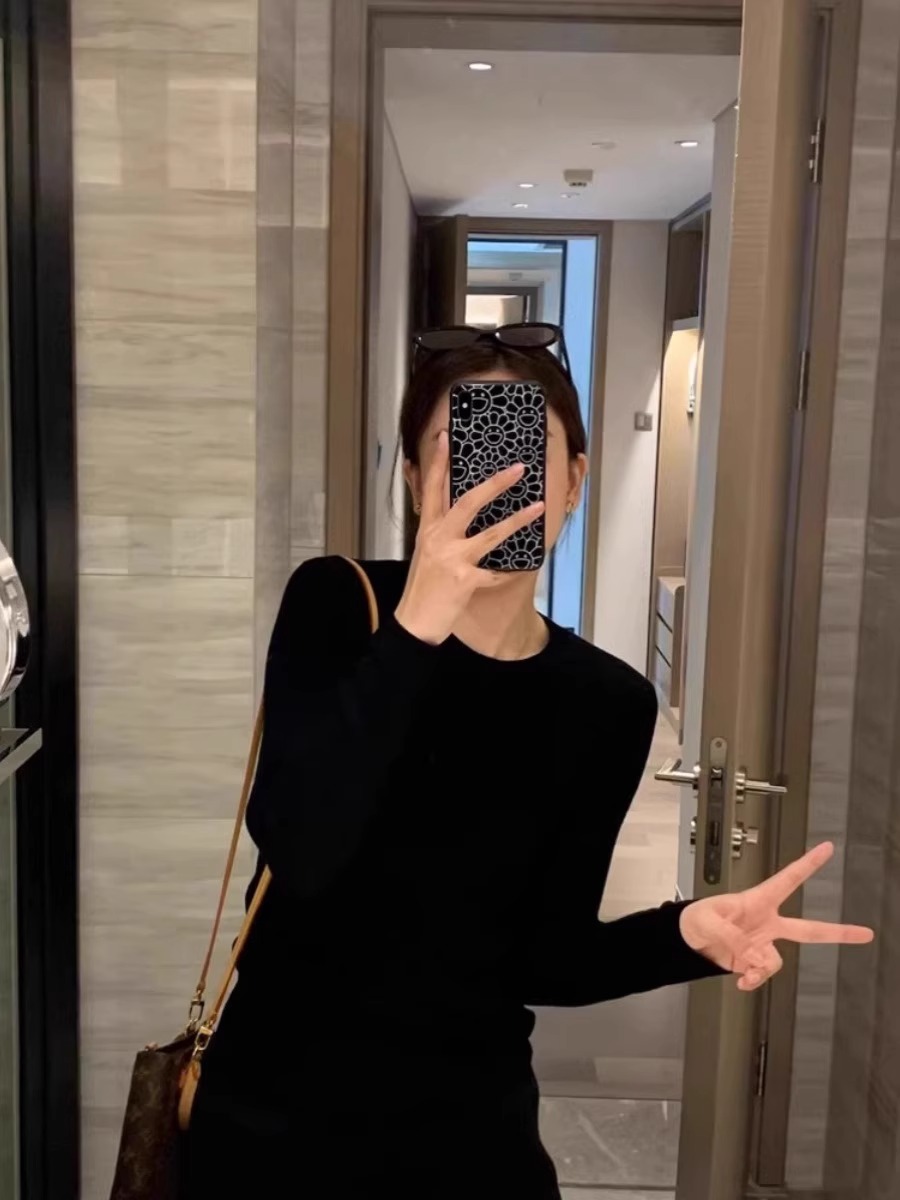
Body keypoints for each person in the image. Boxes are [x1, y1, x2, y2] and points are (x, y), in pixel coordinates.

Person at [182, 328, 873, 1199]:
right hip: (275, 1123)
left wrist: (682, 936)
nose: (499, 478)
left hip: (472, 1129)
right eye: (464, 448)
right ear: (414, 478)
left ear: (574, 480)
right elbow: (300, 845)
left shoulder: (607, 704)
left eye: (525, 450)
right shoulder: (339, 607)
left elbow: (543, 959)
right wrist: (419, 625)